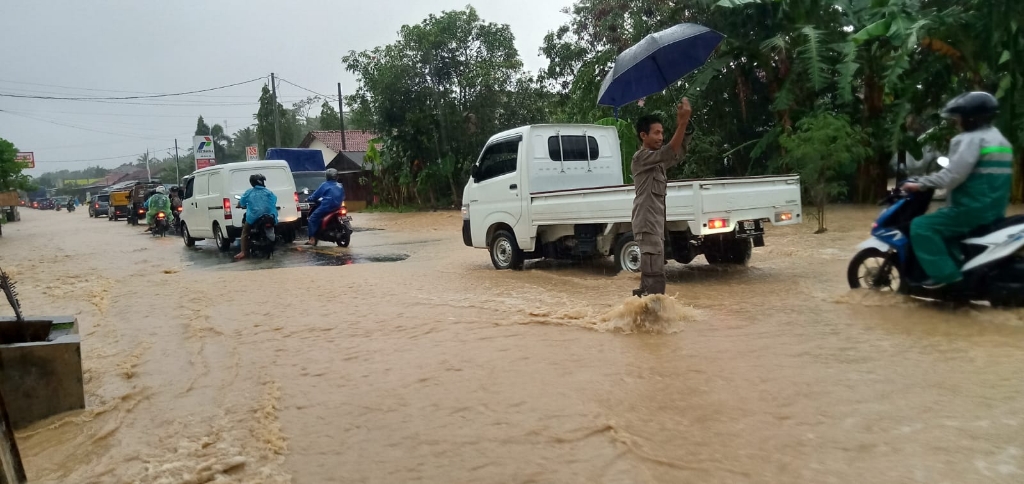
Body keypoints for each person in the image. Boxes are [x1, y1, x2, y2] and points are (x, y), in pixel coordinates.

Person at [902, 91, 1012, 289]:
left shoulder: (971, 140)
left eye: (958, 117)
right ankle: (960, 265)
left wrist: (920, 184)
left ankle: (946, 276)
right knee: (944, 224)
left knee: (921, 226)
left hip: (970, 209)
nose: (956, 122)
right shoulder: (1000, 140)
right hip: (993, 209)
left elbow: (952, 176)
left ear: (971, 118)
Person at [630, 99, 692, 297]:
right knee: (654, 278)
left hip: (655, 226)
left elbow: (677, 152)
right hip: (647, 226)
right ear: (643, 135)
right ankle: (650, 320)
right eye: (656, 133)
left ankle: (640, 319)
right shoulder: (641, 158)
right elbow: (669, 151)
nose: (661, 137)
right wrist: (681, 123)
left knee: (653, 279)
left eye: (662, 132)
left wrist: (687, 126)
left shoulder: (658, 163)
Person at [235, 174, 279, 261]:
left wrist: (240, 205)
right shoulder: (269, 192)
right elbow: (274, 200)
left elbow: (242, 202)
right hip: (270, 217)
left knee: (245, 232)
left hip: (254, 217)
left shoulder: (249, 192)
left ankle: (243, 252)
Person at [305, 168, 346, 246]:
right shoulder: (340, 185)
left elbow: (315, 196)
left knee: (312, 219)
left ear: (327, 176)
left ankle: (312, 239)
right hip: (338, 207)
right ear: (336, 176)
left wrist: (308, 199)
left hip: (327, 207)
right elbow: (343, 196)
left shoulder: (325, 185)